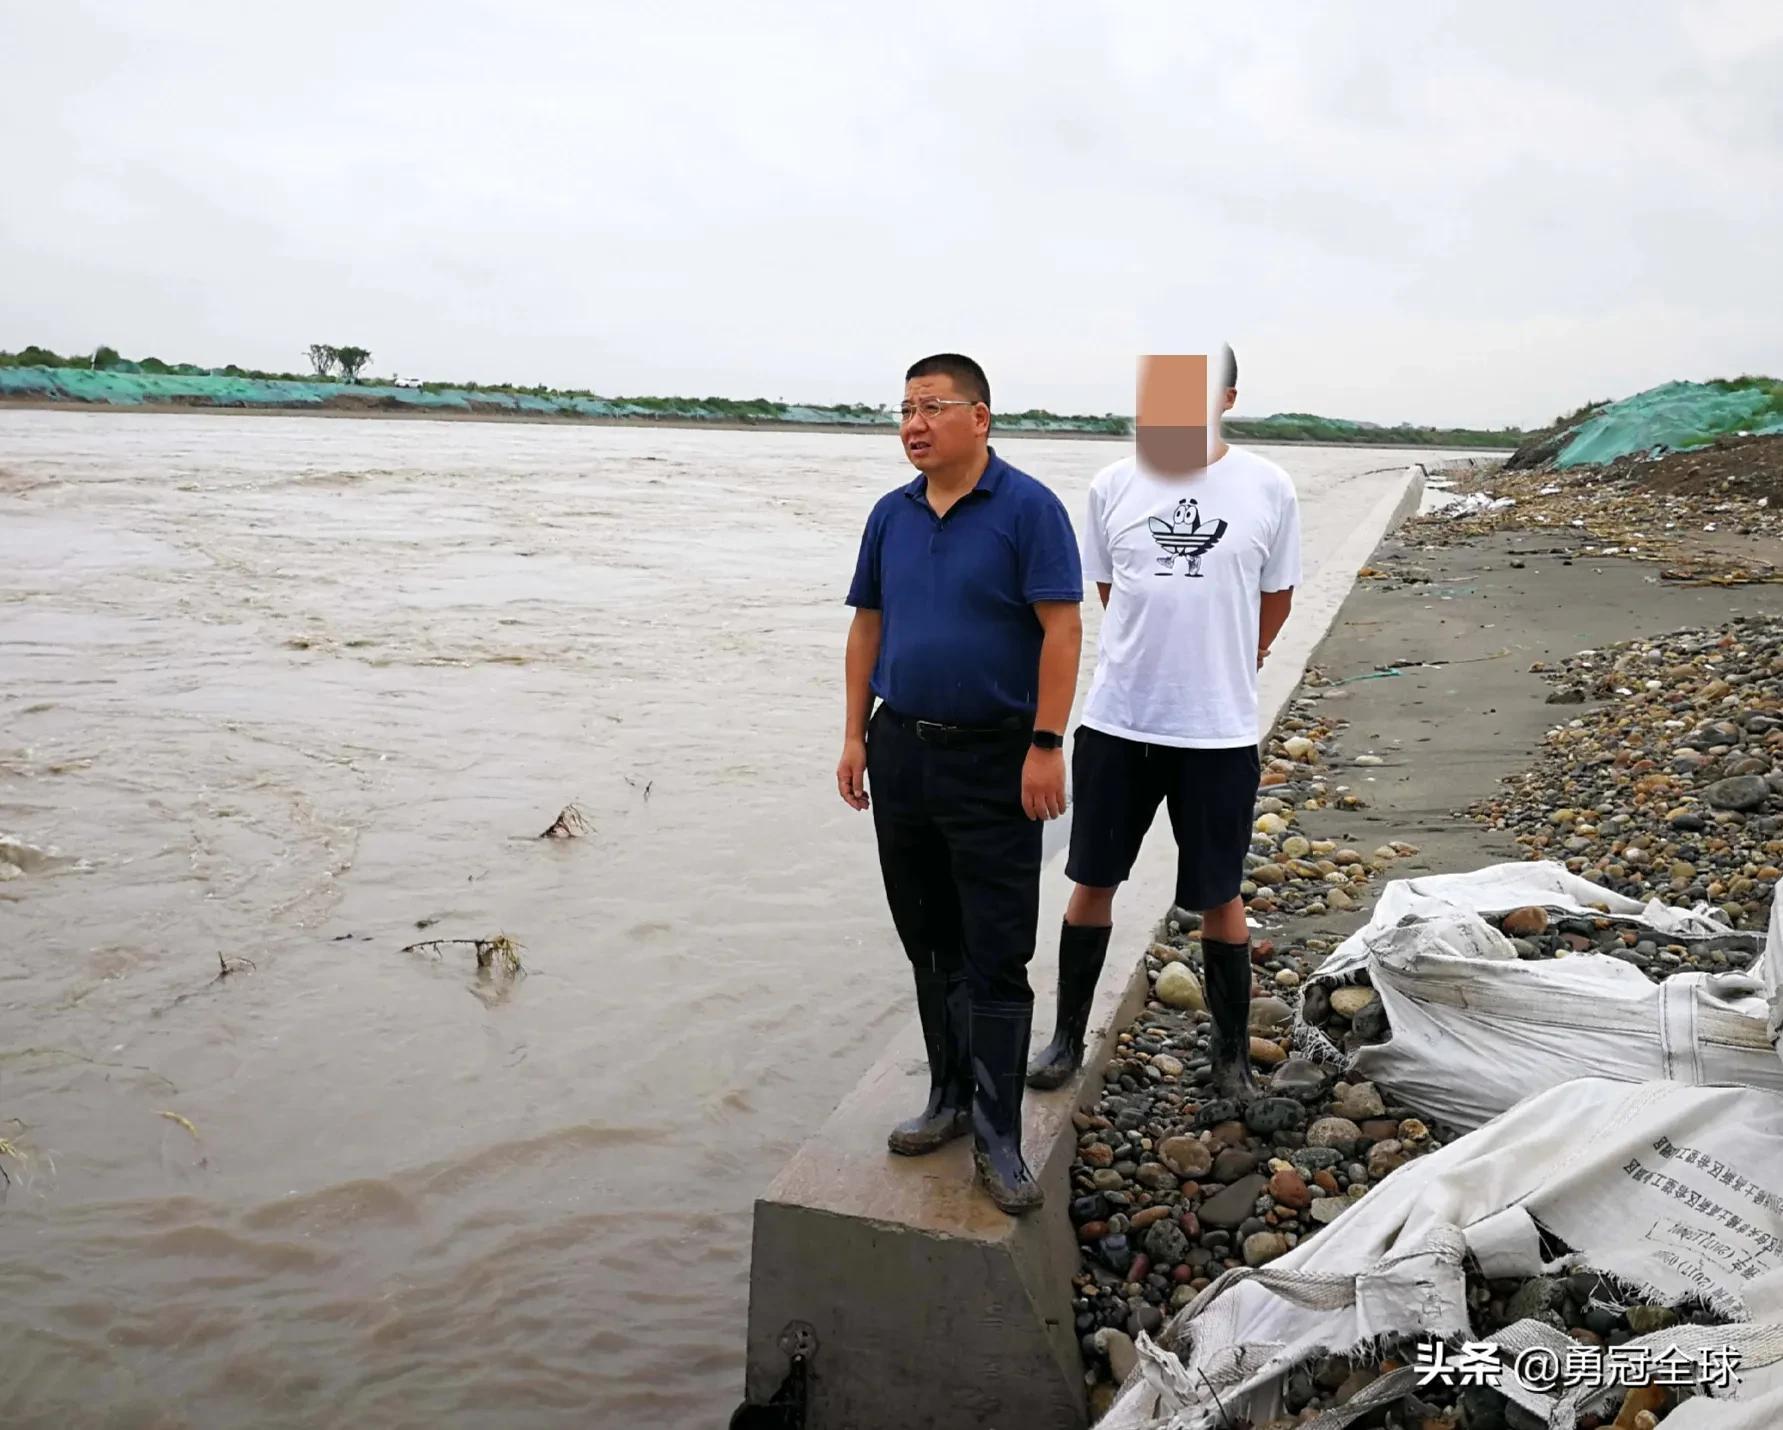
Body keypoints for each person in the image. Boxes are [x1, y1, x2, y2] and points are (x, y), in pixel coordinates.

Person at [837, 353, 1083, 1214]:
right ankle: (945, 1100)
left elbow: (1060, 631)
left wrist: (1046, 744)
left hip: (996, 757)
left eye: (931, 407)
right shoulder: (890, 516)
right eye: (903, 409)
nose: (912, 424)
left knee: (996, 950)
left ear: (978, 417)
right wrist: (852, 738)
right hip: (900, 749)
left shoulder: (1028, 509)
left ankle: (999, 1135)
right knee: (928, 941)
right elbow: (867, 627)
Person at [1027, 347, 1299, 1105]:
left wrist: (1236, 659)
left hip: (1217, 731)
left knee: (1220, 894)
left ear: (1228, 398)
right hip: (1119, 722)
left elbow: (1275, 593)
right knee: (1091, 882)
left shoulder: (1267, 486)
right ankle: (1064, 1039)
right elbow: (1111, 589)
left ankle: (1230, 1060)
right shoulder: (1112, 485)